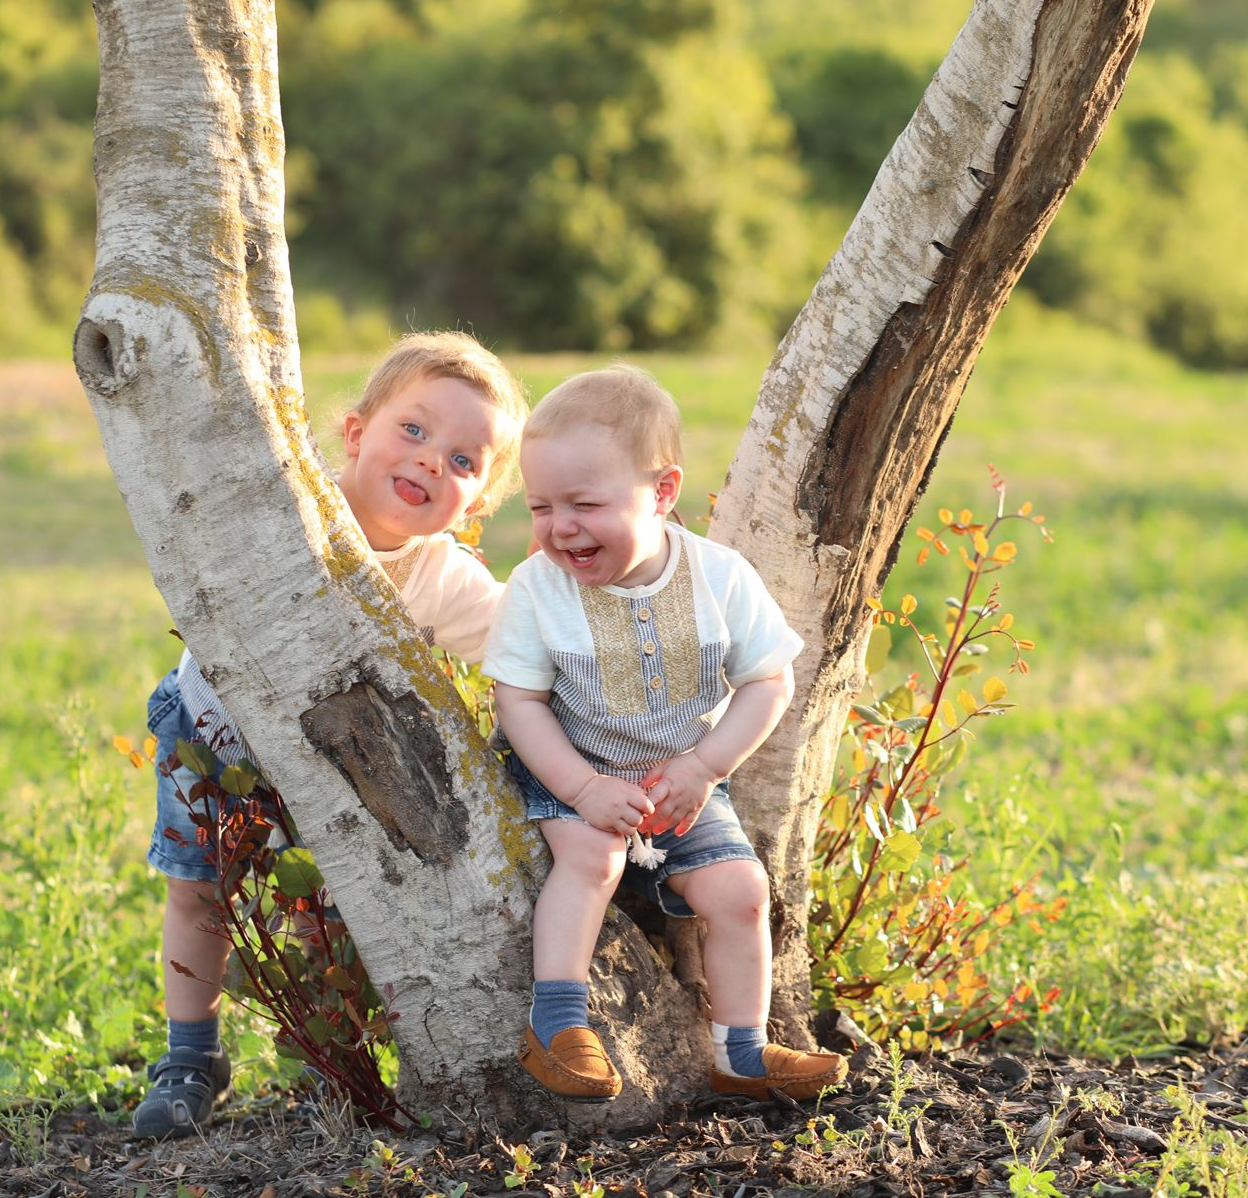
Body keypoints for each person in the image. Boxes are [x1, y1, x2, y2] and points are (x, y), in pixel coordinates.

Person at [134, 331, 529, 1138]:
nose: (430, 460)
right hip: (209, 734)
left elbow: (523, 644)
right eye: (413, 429)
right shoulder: (289, 504)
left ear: (477, 504)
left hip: (332, 777)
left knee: (325, 910)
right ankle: (190, 1053)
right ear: (354, 433)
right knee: (198, 892)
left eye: (463, 460)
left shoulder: (442, 577)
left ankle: (332, 1062)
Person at [483, 366, 847, 1103]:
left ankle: (741, 1052)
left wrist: (705, 766)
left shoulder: (720, 577)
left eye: (585, 504)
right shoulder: (536, 589)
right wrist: (584, 787)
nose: (560, 527)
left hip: (680, 780)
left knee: (741, 891)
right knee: (593, 858)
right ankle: (558, 1026)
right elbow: (517, 702)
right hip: (568, 763)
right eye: (542, 506)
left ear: (662, 491)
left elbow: (769, 681)